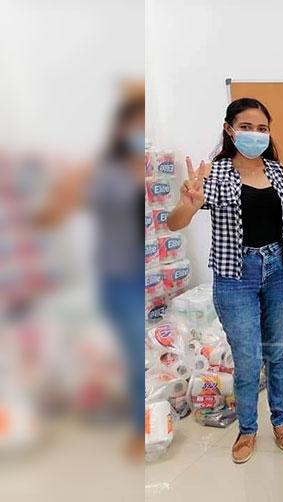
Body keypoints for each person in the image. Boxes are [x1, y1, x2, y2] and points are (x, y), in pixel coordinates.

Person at [167, 97, 283, 464]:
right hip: (236, 277)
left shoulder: (282, 173)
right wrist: (188, 203)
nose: (255, 134)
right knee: (247, 359)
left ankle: (281, 421)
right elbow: (174, 223)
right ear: (230, 130)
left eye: (262, 128)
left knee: (275, 352)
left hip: (280, 272)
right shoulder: (214, 175)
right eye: (246, 127)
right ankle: (247, 429)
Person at [36, 92, 147, 459]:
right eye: (135, 124)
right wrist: (64, 188)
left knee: (142, 351)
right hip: (121, 277)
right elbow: (53, 214)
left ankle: (145, 420)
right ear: (121, 129)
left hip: (150, 273)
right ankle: (139, 429)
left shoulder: (155, 170)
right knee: (134, 352)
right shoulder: (105, 174)